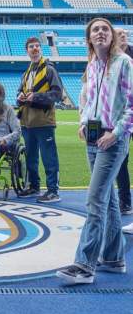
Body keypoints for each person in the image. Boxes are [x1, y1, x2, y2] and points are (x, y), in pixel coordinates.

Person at [57, 17, 133, 285]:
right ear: (89, 38)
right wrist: (81, 122)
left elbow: (132, 104)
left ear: (111, 36)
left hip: (113, 140)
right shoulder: (92, 65)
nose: (100, 32)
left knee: (95, 200)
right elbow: (88, 99)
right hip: (92, 138)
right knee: (108, 199)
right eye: (94, 30)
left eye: (105, 29)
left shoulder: (124, 63)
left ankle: (84, 264)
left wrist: (117, 133)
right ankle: (113, 258)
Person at [17, 37, 63, 203]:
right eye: (31, 46)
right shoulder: (26, 72)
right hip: (27, 123)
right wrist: (20, 97)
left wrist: (36, 97)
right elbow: (18, 95)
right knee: (31, 158)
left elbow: (57, 94)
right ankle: (34, 187)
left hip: (44, 122)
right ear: (27, 51)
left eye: (37, 46)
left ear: (41, 49)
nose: (35, 48)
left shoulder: (50, 69)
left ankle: (53, 191)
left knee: (49, 157)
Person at [114, 28, 132, 215]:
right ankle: (125, 202)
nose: (124, 37)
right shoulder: (109, 59)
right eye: (120, 35)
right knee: (121, 161)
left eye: (126, 34)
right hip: (122, 118)